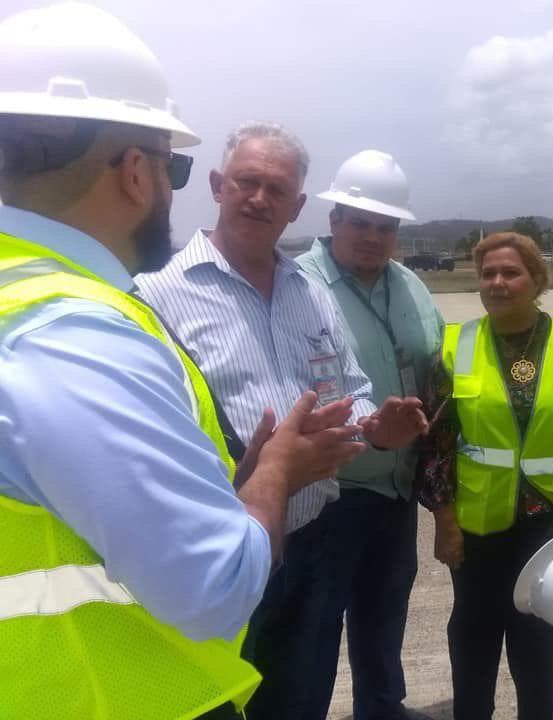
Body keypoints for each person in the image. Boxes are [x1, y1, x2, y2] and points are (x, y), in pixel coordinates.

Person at [0, 5, 355, 719]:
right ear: (138, 171)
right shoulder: (78, 330)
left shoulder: (24, 296)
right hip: (100, 691)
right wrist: (277, 474)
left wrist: (238, 480)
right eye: (178, 168)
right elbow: (213, 589)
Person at [137, 125, 429, 718]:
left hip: (315, 543)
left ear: (297, 207)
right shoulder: (155, 296)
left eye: (278, 189)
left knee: (301, 700)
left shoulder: (310, 294)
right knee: (215, 703)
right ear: (218, 186)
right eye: (248, 182)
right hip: (217, 548)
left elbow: (352, 390)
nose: (260, 199)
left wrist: (376, 427)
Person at [420, 232, 553, 720]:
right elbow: (437, 445)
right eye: (488, 274)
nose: (498, 283)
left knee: (539, 648)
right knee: (472, 640)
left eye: (510, 273)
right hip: (476, 525)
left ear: (537, 279)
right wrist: (444, 521)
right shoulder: (454, 347)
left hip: (547, 526)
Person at [296, 149, 442, 720]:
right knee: (313, 628)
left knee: (385, 615)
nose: (372, 236)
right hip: (329, 494)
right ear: (333, 220)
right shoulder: (298, 286)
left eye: (385, 226)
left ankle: (381, 710)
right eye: (359, 221)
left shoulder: (410, 286)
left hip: (395, 489)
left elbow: (435, 364)